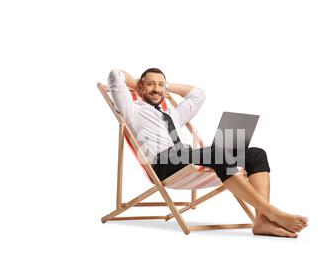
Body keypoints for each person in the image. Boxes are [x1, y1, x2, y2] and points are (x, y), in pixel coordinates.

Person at [108, 68, 308, 237]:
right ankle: (272, 212)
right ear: (140, 87)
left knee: (256, 154)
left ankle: (261, 221)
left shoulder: (173, 114)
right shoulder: (132, 110)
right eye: (151, 84)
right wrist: (136, 83)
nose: (157, 89)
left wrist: (168, 88)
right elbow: (115, 74)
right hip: (164, 165)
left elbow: (198, 94)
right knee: (216, 153)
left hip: (187, 158)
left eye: (161, 85)